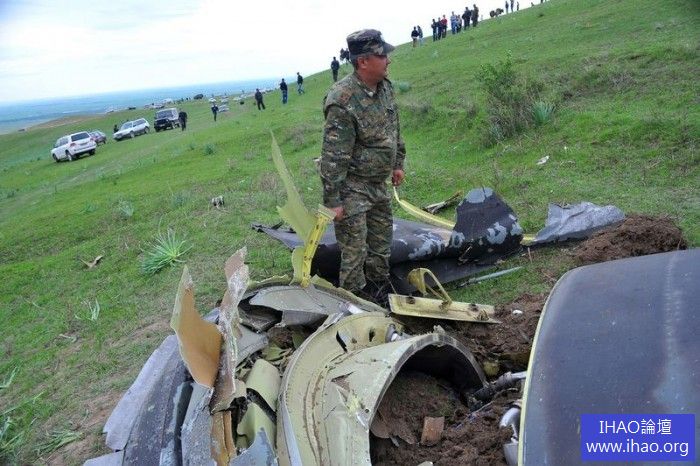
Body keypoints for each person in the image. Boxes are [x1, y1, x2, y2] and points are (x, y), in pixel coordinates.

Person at [319, 29, 406, 305]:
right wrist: (333, 201)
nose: (388, 60)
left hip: (378, 184)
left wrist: (398, 163)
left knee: (381, 242)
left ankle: (378, 290)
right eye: (382, 56)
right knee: (354, 251)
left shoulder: (385, 87)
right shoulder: (342, 100)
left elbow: (393, 128)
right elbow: (333, 155)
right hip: (352, 188)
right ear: (364, 61)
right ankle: (353, 302)